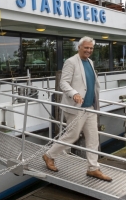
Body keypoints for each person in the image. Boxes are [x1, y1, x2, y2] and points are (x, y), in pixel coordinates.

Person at [42, 37, 112, 182]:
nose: (89, 50)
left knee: (93, 138)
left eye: (91, 48)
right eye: (86, 47)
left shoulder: (90, 62)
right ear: (79, 47)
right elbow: (64, 83)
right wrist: (74, 94)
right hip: (76, 108)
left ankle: (93, 168)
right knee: (72, 136)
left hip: (90, 108)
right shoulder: (71, 62)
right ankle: (49, 155)